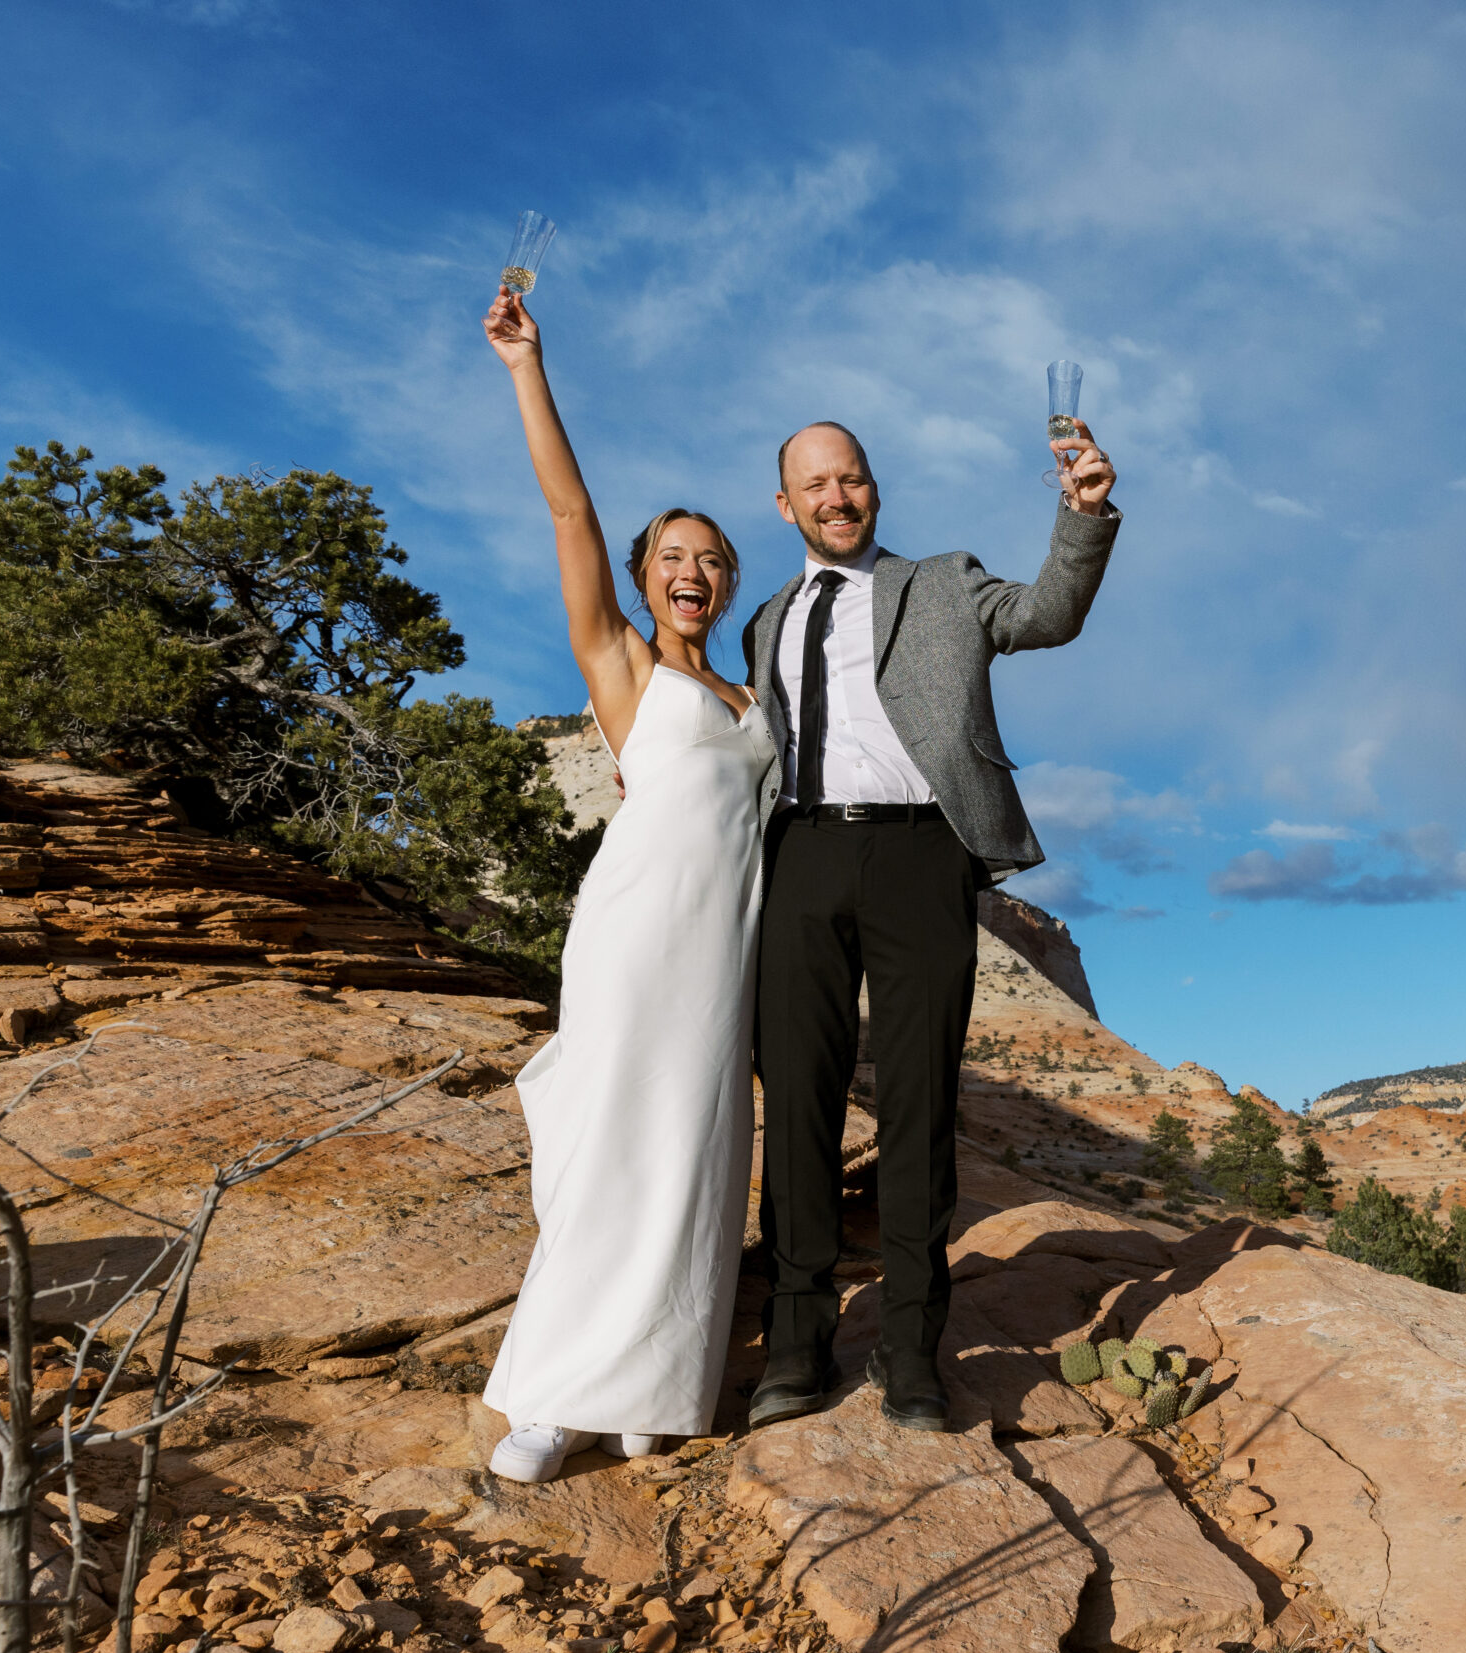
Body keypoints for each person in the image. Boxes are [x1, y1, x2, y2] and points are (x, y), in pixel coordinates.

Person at [744, 415, 1118, 1431]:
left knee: (916, 1109)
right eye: (815, 485)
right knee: (803, 1109)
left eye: (851, 479)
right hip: (802, 856)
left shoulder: (943, 581)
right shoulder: (766, 620)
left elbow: (1048, 614)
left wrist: (1081, 512)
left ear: (874, 490)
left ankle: (911, 1353)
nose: (836, 497)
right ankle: (796, 1348)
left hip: (921, 853)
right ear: (786, 506)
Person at [476, 286, 779, 1483]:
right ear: (646, 578)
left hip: (726, 952)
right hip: (634, 936)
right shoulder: (627, 670)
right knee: (606, 1147)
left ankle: (654, 1382)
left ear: (728, 579)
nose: (690, 572)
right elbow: (567, 510)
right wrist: (523, 370)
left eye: (711, 560)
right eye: (671, 558)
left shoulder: (760, 704)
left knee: (693, 1157)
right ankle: (554, 1394)